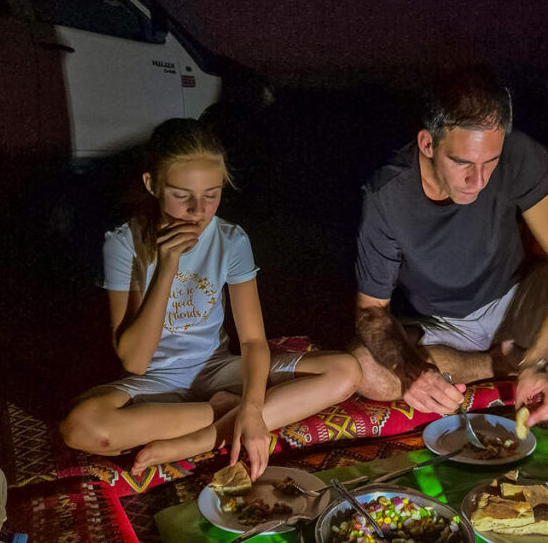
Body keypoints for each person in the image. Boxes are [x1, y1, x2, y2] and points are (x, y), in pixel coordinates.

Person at [352, 66, 548, 451]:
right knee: (368, 369)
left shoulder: (515, 154)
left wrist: (539, 359)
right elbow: (371, 312)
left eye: (489, 162)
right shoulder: (386, 194)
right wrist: (413, 372)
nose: (479, 180)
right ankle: (502, 367)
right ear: (428, 144)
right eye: (463, 163)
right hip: (446, 330)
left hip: (516, 305)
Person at [60, 118, 360, 479]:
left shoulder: (231, 240)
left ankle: (205, 438)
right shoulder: (124, 243)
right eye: (181, 195)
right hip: (156, 386)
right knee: (81, 427)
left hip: (218, 370)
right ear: (151, 184)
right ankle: (226, 415)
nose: (198, 211)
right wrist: (166, 266)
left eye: (211, 195)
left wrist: (250, 407)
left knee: (345, 371)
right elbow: (135, 361)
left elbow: (252, 340)